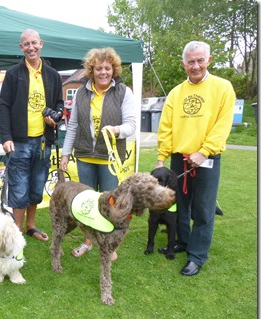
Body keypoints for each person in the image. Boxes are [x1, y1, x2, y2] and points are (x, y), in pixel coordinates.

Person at [155, 41, 236, 276]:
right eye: (191, 61)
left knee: (203, 209)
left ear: (209, 60)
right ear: (184, 64)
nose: (196, 65)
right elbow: (166, 128)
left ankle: (197, 255)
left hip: (207, 159)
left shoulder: (223, 88)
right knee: (180, 203)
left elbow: (222, 126)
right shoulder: (176, 93)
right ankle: (183, 241)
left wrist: (205, 151)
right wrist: (161, 158)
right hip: (179, 159)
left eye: (200, 60)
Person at [60, 47, 136, 259]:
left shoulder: (123, 92)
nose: (103, 72)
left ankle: (110, 245)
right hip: (84, 156)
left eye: (108, 68)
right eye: (99, 68)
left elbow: (131, 125)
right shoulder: (81, 93)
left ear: (114, 69)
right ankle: (88, 241)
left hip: (110, 159)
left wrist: (116, 130)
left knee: (112, 204)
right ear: (91, 70)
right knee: (88, 203)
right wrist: (66, 154)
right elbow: (72, 125)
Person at [0, 28, 64, 242]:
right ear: (21, 47)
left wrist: (56, 117)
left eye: (34, 43)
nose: (31, 47)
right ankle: (16, 234)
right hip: (19, 142)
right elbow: (4, 107)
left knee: (36, 186)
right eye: (26, 44)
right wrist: (6, 137)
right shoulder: (13, 74)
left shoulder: (53, 75)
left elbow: (60, 105)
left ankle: (30, 226)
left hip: (44, 141)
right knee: (19, 188)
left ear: (41, 44)